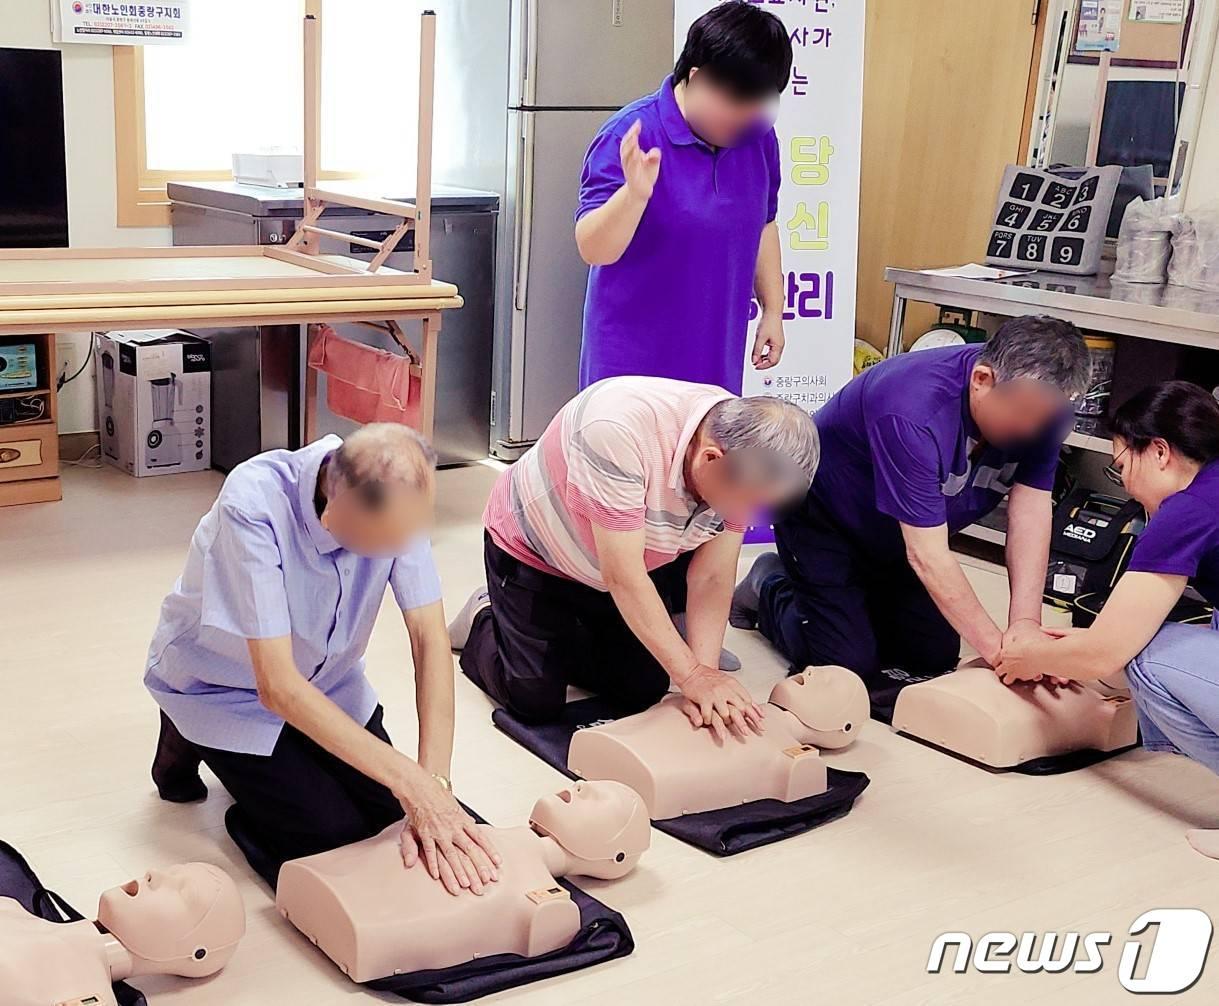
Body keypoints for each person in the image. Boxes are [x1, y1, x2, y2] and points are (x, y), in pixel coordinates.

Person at [144, 425, 500, 896]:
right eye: (388, 543)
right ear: (334, 513)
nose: (404, 549)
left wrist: (433, 782)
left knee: (398, 820)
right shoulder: (253, 504)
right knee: (334, 839)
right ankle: (185, 730)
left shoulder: (397, 493)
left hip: (330, 683)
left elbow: (429, 639)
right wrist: (410, 782)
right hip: (227, 689)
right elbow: (277, 687)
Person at [732, 316, 1091, 719]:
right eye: (1022, 414)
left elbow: (1030, 509)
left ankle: (853, 604)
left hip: (903, 534)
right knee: (847, 668)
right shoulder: (911, 407)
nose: (1031, 429)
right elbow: (928, 557)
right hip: (826, 521)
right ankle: (768, 586)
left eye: (1042, 420)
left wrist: (1026, 628)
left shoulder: (1045, 409)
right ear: (983, 379)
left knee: (930, 657)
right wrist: (1001, 653)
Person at [448, 376, 820, 742]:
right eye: (753, 504)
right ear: (711, 459)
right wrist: (690, 676)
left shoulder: (743, 456)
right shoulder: (616, 430)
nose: (752, 516)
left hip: (635, 560)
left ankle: (560, 635)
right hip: (538, 554)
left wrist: (704, 675)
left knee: (641, 690)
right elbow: (623, 577)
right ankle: (486, 613)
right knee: (533, 701)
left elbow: (711, 577)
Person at [997, 382, 1219, 859]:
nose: (1128, 489)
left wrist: (1031, 654)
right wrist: (1077, 644)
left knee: (1146, 659)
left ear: (1158, 452)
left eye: (1121, 470)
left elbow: (1110, 652)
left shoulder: (1188, 511)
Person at [574, 1, 791, 392]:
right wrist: (633, 196)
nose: (748, 116)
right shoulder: (631, 135)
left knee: (708, 452)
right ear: (697, 77)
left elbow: (764, 223)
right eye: (737, 103)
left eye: (759, 104)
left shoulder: (757, 140)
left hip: (715, 359)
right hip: (631, 366)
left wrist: (773, 309)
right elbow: (593, 248)